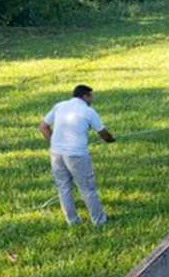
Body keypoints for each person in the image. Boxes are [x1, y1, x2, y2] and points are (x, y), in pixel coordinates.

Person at [38, 85, 115, 226]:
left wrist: (55, 143)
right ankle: (99, 221)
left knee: (64, 188)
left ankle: (72, 222)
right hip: (77, 155)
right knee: (87, 188)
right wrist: (110, 139)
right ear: (85, 96)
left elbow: (43, 127)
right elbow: (103, 133)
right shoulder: (88, 111)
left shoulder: (59, 106)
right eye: (91, 96)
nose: (92, 99)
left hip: (56, 153)